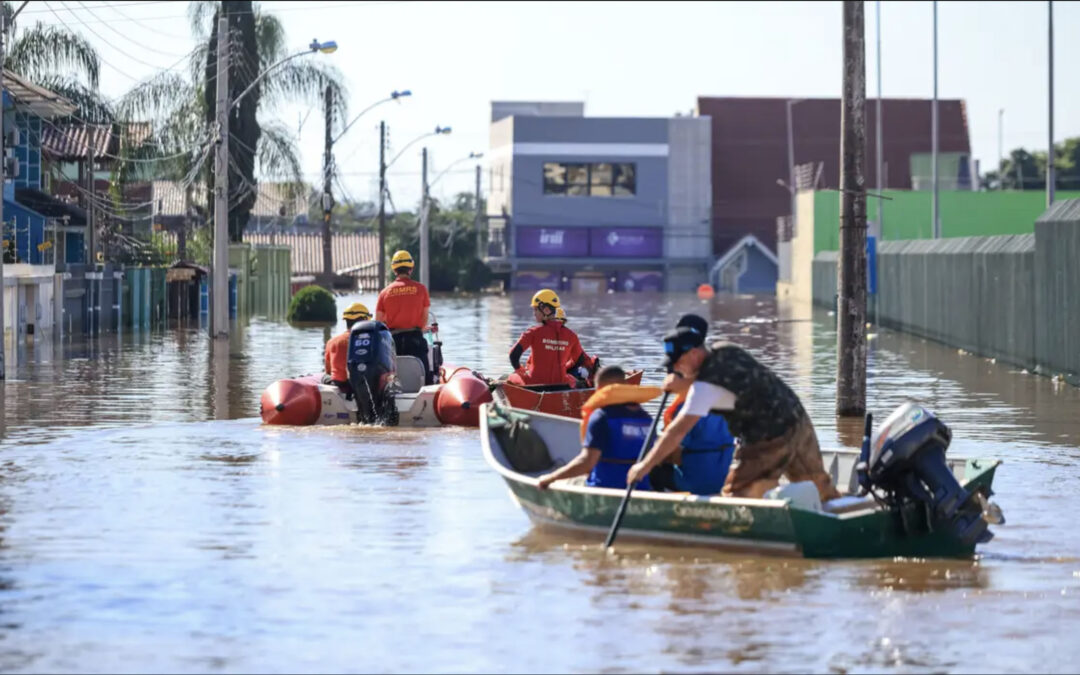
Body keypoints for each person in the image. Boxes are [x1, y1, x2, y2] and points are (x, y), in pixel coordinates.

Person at [626, 324, 842, 502]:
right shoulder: (726, 348)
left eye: (677, 363)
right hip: (797, 420)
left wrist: (644, 466)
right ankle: (842, 515)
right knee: (818, 486)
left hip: (768, 438)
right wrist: (686, 381)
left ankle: (750, 536)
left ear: (693, 354)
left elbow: (676, 432)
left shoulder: (703, 390)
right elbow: (723, 377)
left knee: (735, 497)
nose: (676, 369)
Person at [648, 313, 736, 495]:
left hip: (695, 482)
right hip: (723, 476)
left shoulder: (685, 408)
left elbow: (675, 453)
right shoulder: (722, 398)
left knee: (650, 468)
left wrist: (650, 457)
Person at [537, 365, 658, 491]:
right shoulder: (647, 419)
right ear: (626, 385)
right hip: (640, 488)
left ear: (600, 389)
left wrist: (550, 478)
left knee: (563, 482)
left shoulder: (602, 417)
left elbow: (586, 463)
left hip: (604, 487)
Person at [508, 289, 589, 390]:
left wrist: (520, 370)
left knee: (511, 377)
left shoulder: (533, 332)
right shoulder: (572, 335)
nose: (534, 313)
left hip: (534, 384)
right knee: (573, 379)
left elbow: (513, 355)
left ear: (546, 310)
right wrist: (565, 368)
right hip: (561, 385)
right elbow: (579, 359)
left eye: (536, 310)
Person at [375, 250, 433, 384]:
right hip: (415, 340)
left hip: (392, 342)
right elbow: (424, 319)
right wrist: (421, 328)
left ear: (394, 270)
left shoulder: (385, 292)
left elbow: (378, 323)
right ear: (411, 269)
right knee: (426, 375)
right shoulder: (421, 289)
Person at [323, 302, 372, 392]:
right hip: (362, 386)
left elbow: (328, 370)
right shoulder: (371, 341)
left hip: (338, 384)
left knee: (324, 377)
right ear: (364, 320)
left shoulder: (331, 342)